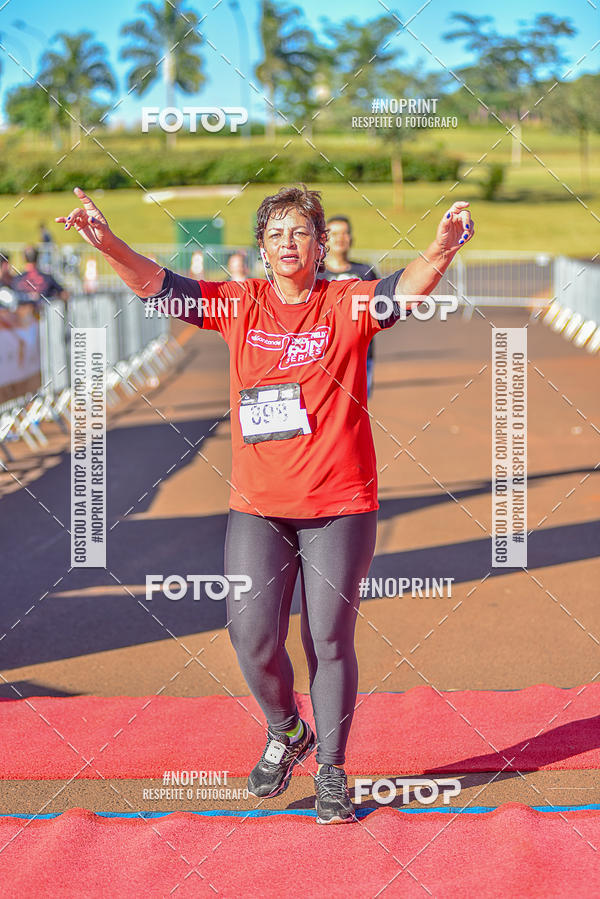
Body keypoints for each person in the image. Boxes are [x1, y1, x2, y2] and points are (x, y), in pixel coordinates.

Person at [56, 184, 475, 825]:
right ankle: (287, 731)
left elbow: (402, 291)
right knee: (251, 636)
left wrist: (441, 249)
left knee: (327, 638)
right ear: (260, 246)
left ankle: (333, 772)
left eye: (300, 231)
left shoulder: (346, 300)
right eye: (276, 232)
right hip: (259, 504)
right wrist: (106, 241)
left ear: (318, 243)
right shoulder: (239, 304)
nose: (288, 242)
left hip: (340, 502)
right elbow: (160, 287)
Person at [325, 215, 379, 396]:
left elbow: (380, 308)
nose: (340, 238)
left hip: (361, 355)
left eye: (345, 233)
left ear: (351, 239)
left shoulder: (366, 272)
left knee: (357, 410)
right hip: (324, 356)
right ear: (324, 239)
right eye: (335, 233)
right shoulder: (315, 274)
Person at [12, 246, 69, 310]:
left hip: (22, 316)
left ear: (24, 258)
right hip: (44, 315)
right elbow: (64, 294)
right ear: (38, 258)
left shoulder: (16, 279)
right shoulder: (48, 278)